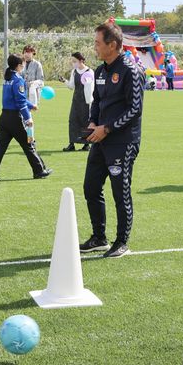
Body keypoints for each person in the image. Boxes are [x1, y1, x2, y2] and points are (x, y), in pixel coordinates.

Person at [80, 21, 144, 258]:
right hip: (100, 139)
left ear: (113, 45)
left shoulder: (131, 70)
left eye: (98, 43)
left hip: (123, 142)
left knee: (120, 192)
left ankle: (122, 242)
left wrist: (107, 128)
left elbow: (135, 109)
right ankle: (99, 238)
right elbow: (96, 102)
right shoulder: (99, 71)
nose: (94, 47)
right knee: (91, 186)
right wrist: (92, 123)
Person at [0, 54, 52, 181]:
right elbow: (20, 102)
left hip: (4, 117)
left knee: (0, 146)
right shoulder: (18, 80)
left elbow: (17, 99)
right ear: (19, 66)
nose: (24, 66)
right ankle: (39, 171)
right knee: (28, 144)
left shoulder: (7, 78)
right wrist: (28, 118)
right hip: (15, 118)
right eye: (23, 64)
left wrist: (31, 105)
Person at [62, 52, 94, 152]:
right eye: (72, 61)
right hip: (76, 100)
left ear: (81, 61)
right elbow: (71, 86)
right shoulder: (74, 72)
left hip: (86, 102)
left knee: (85, 122)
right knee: (73, 120)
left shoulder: (89, 71)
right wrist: (64, 81)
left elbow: (91, 88)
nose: (73, 63)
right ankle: (72, 143)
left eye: (75, 61)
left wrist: (90, 102)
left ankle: (86, 144)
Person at [21, 45, 44, 111]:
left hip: (32, 93)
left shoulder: (37, 64)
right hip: (22, 91)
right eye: (25, 52)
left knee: (28, 114)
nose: (26, 54)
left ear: (33, 53)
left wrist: (33, 84)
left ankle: (34, 105)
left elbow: (41, 81)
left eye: (28, 52)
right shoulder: (21, 63)